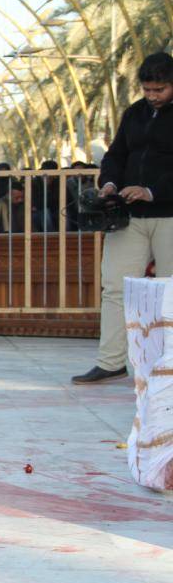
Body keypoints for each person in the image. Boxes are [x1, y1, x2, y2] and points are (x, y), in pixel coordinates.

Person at [73, 52, 173, 385]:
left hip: (168, 214)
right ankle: (111, 360)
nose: (153, 96)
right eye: (147, 89)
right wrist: (110, 183)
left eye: (159, 89)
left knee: (169, 290)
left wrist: (151, 191)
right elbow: (116, 154)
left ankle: (167, 365)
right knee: (115, 287)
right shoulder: (134, 114)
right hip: (127, 217)